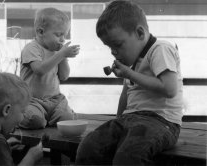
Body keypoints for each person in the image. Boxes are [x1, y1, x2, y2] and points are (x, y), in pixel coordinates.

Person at [76, 0, 183, 165]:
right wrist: (118, 122)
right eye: (109, 47)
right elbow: (125, 95)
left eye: (117, 44)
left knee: (127, 158)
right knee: (88, 147)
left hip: (162, 121)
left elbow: (169, 89)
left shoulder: (160, 49)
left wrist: (130, 74)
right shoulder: (131, 61)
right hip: (130, 119)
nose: (113, 52)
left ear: (140, 33)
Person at [19, 7, 80, 129]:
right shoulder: (31, 48)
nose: (63, 39)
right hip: (33, 100)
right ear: (41, 32)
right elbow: (39, 70)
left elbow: (64, 76)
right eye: (58, 34)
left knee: (67, 120)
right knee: (35, 121)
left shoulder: (57, 52)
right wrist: (61, 54)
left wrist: (63, 57)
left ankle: (51, 117)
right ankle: (26, 117)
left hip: (55, 100)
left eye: (65, 35)